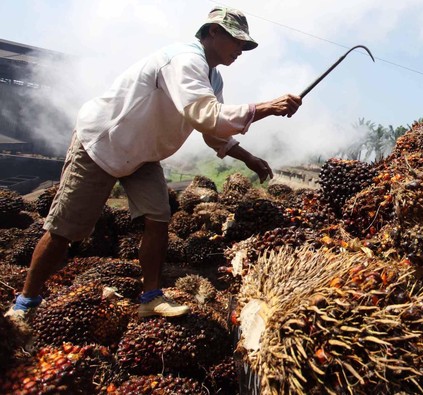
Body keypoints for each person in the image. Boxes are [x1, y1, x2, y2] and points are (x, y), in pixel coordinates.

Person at [4, 7, 302, 319]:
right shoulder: (185, 60)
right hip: (104, 143)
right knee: (65, 228)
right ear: (212, 32)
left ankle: (150, 296)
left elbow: (213, 130)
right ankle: (26, 301)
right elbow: (205, 114)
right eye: (237, 41)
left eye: (244, 45)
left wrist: (249, 158)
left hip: (143, 154)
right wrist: (266, 107)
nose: (241, 50)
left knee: (159, 218)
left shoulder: (213, 78)